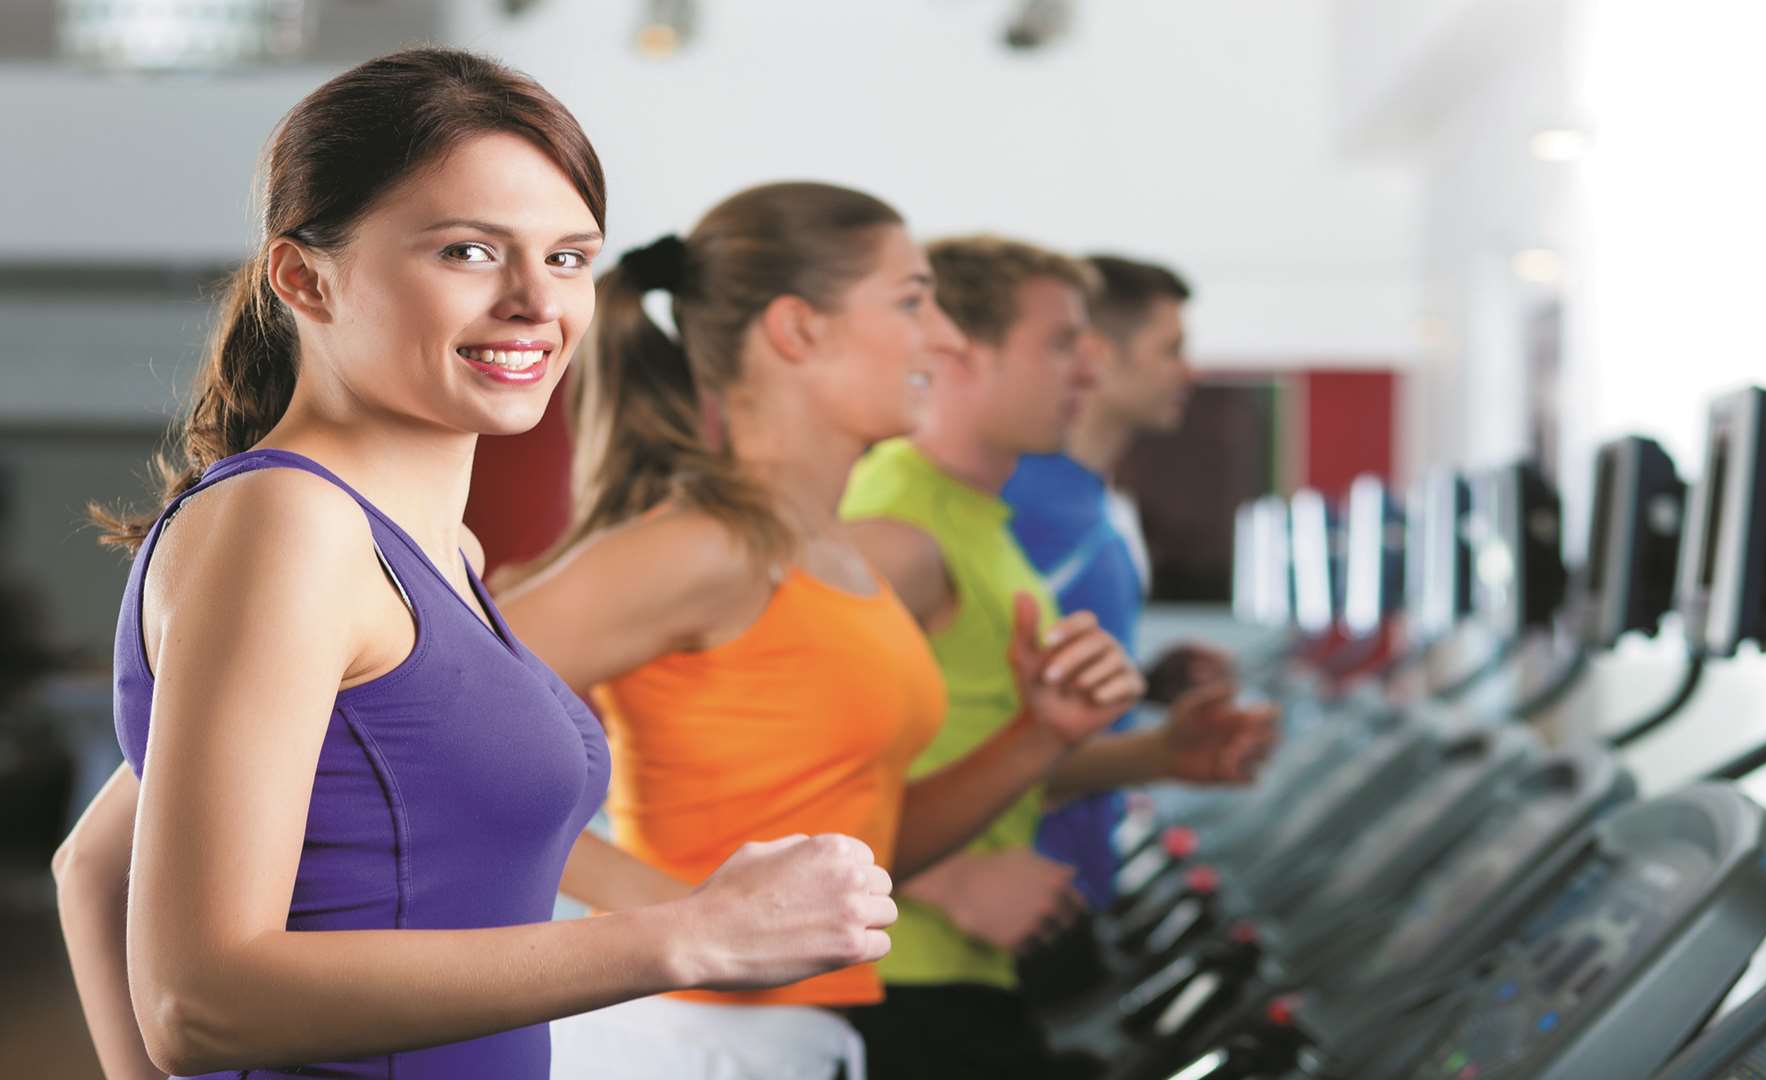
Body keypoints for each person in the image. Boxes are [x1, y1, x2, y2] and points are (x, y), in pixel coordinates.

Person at [52, 49, 894, 1080]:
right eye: (467, 252)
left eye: (571, 257)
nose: (537, 302)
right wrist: (689, 939)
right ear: (304, 277)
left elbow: (93, 868)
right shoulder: (288, 524)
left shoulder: (435, 549)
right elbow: (199, 1000)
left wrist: (713, 913)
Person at [500, 183, 1154, 1079]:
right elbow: (407, 727)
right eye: (913, 302)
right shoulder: (705, 548)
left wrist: (1041, 735)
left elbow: (858, 854)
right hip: (678, 1040)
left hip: (800, 1034)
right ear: (799, 330)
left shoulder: (830, 558)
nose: (947, 338)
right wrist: (679, 921)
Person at [840, 236, 1276, 1079]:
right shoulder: (894, 521)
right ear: (958, 348)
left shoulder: (979, 519)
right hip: (893, 973)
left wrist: (1157, 752)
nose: (1087, 368)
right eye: (1061, 343)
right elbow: (767, 773)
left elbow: (975, 753)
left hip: (960, 969)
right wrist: (954, 882)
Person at [1003, 254, 1236, 912]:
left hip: (1075, 880)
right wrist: (1162, 753)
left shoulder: (1096, 509)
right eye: (1172, 350)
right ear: (1099, 356)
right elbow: (973, 735)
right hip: (1012, 896)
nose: (1190, 372)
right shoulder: (1025, 507)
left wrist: (1144, 681)